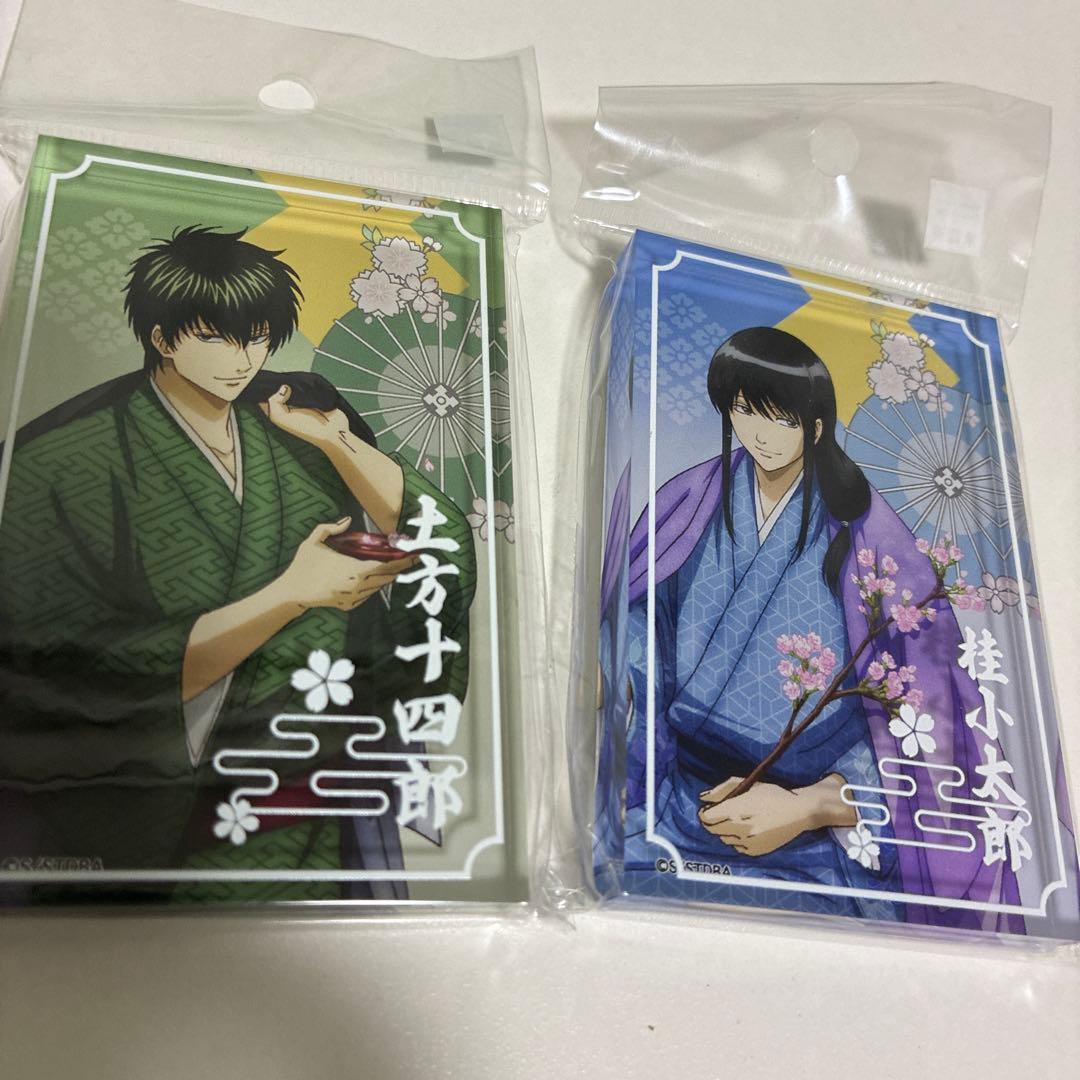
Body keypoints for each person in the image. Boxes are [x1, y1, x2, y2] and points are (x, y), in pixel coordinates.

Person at [0, 225, 475, 901]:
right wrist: (290, 595)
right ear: (162, 338)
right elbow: (63, 671)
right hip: (162, 827)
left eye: (256, 337)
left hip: (320, 808)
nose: (242, 359)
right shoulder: (62, 464)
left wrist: (337, 443)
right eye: (215, 337)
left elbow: (443, 545)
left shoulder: (296, 429)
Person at [617, 326, 1021, 928]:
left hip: (813, 839)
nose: (760, 433)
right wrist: (615, 675)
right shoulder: (691, 500)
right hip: (682, 803)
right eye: (745, 410)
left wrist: (811, 805)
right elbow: (640, 626)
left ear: (815, 424)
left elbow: (931, 723)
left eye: (781, 418)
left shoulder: (877, 544)